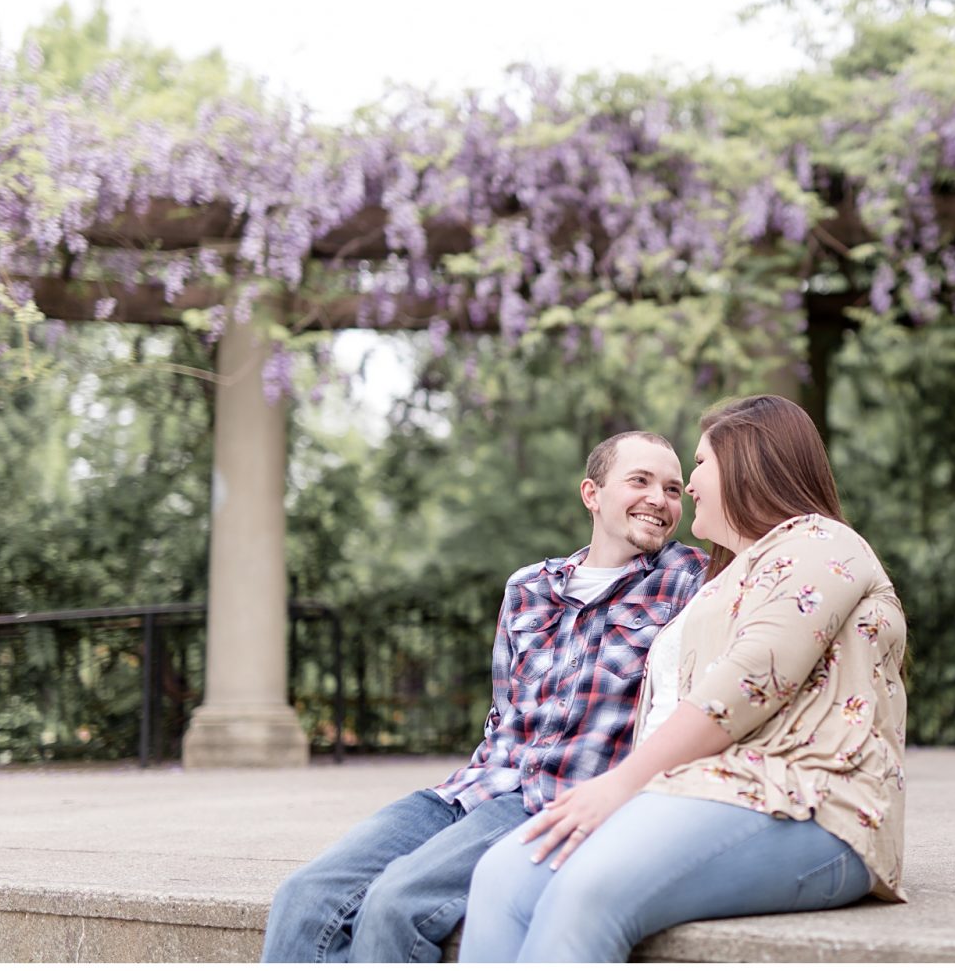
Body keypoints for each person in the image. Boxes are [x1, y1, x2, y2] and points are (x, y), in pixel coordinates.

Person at [457, 395, 907, 963]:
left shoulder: (820, 542)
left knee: (587, 891)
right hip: (709, 792)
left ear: (748, 464)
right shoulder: (721, 580)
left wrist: (619, 784)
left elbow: (747, 683)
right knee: (503, 872)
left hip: (816, 804)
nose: (689, 486)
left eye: (698, 465)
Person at [260, 431, 707, 963]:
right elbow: (504, 713)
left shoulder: (690, 579)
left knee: (395, 903)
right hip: (471, 789)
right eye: (640, 481)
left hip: (552, 800)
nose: (659, 498)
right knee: (304, 896)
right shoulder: (528, 588)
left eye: (674, 489)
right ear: (592, 493)